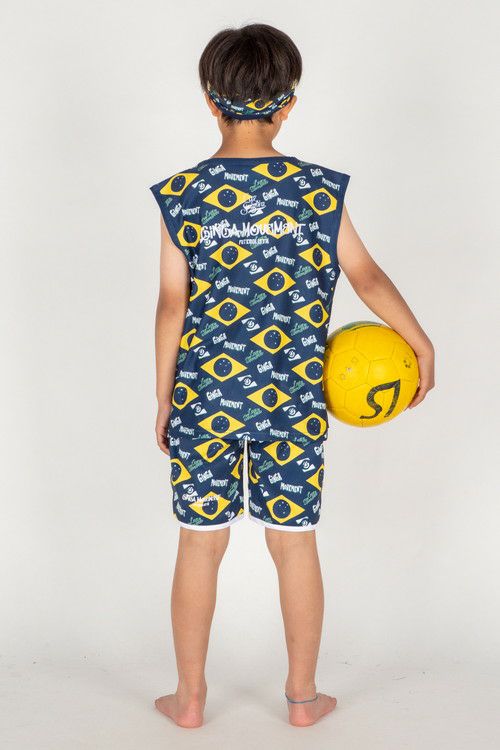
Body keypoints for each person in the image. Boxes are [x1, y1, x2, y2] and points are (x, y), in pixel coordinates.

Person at [149, 23, 435, 729]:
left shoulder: (183, 195)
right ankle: (303, 700)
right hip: (292, 398)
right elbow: (366, 276)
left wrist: (164, 396)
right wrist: (418, 342)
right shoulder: (317, 191)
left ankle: (189, 700)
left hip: (204, 398)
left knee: (199, 542)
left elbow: (171, 304)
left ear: (209, 101)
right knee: (294, 541)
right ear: (288, 106)